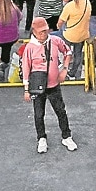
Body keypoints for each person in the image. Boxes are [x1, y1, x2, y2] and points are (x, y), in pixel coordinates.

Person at [22, 17, 78, 154]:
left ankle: (66, 136)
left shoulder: (55, 40)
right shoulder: (29, 48)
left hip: (54, 85)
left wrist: (64, 69)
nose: (44, 34)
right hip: (37, 87)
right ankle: (41, 138)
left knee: (61, 111)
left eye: (46, 31)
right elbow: (26, 68)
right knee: (39, 114)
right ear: (34, 32)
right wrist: (26, 89)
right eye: (41, 32)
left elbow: (67, 52)